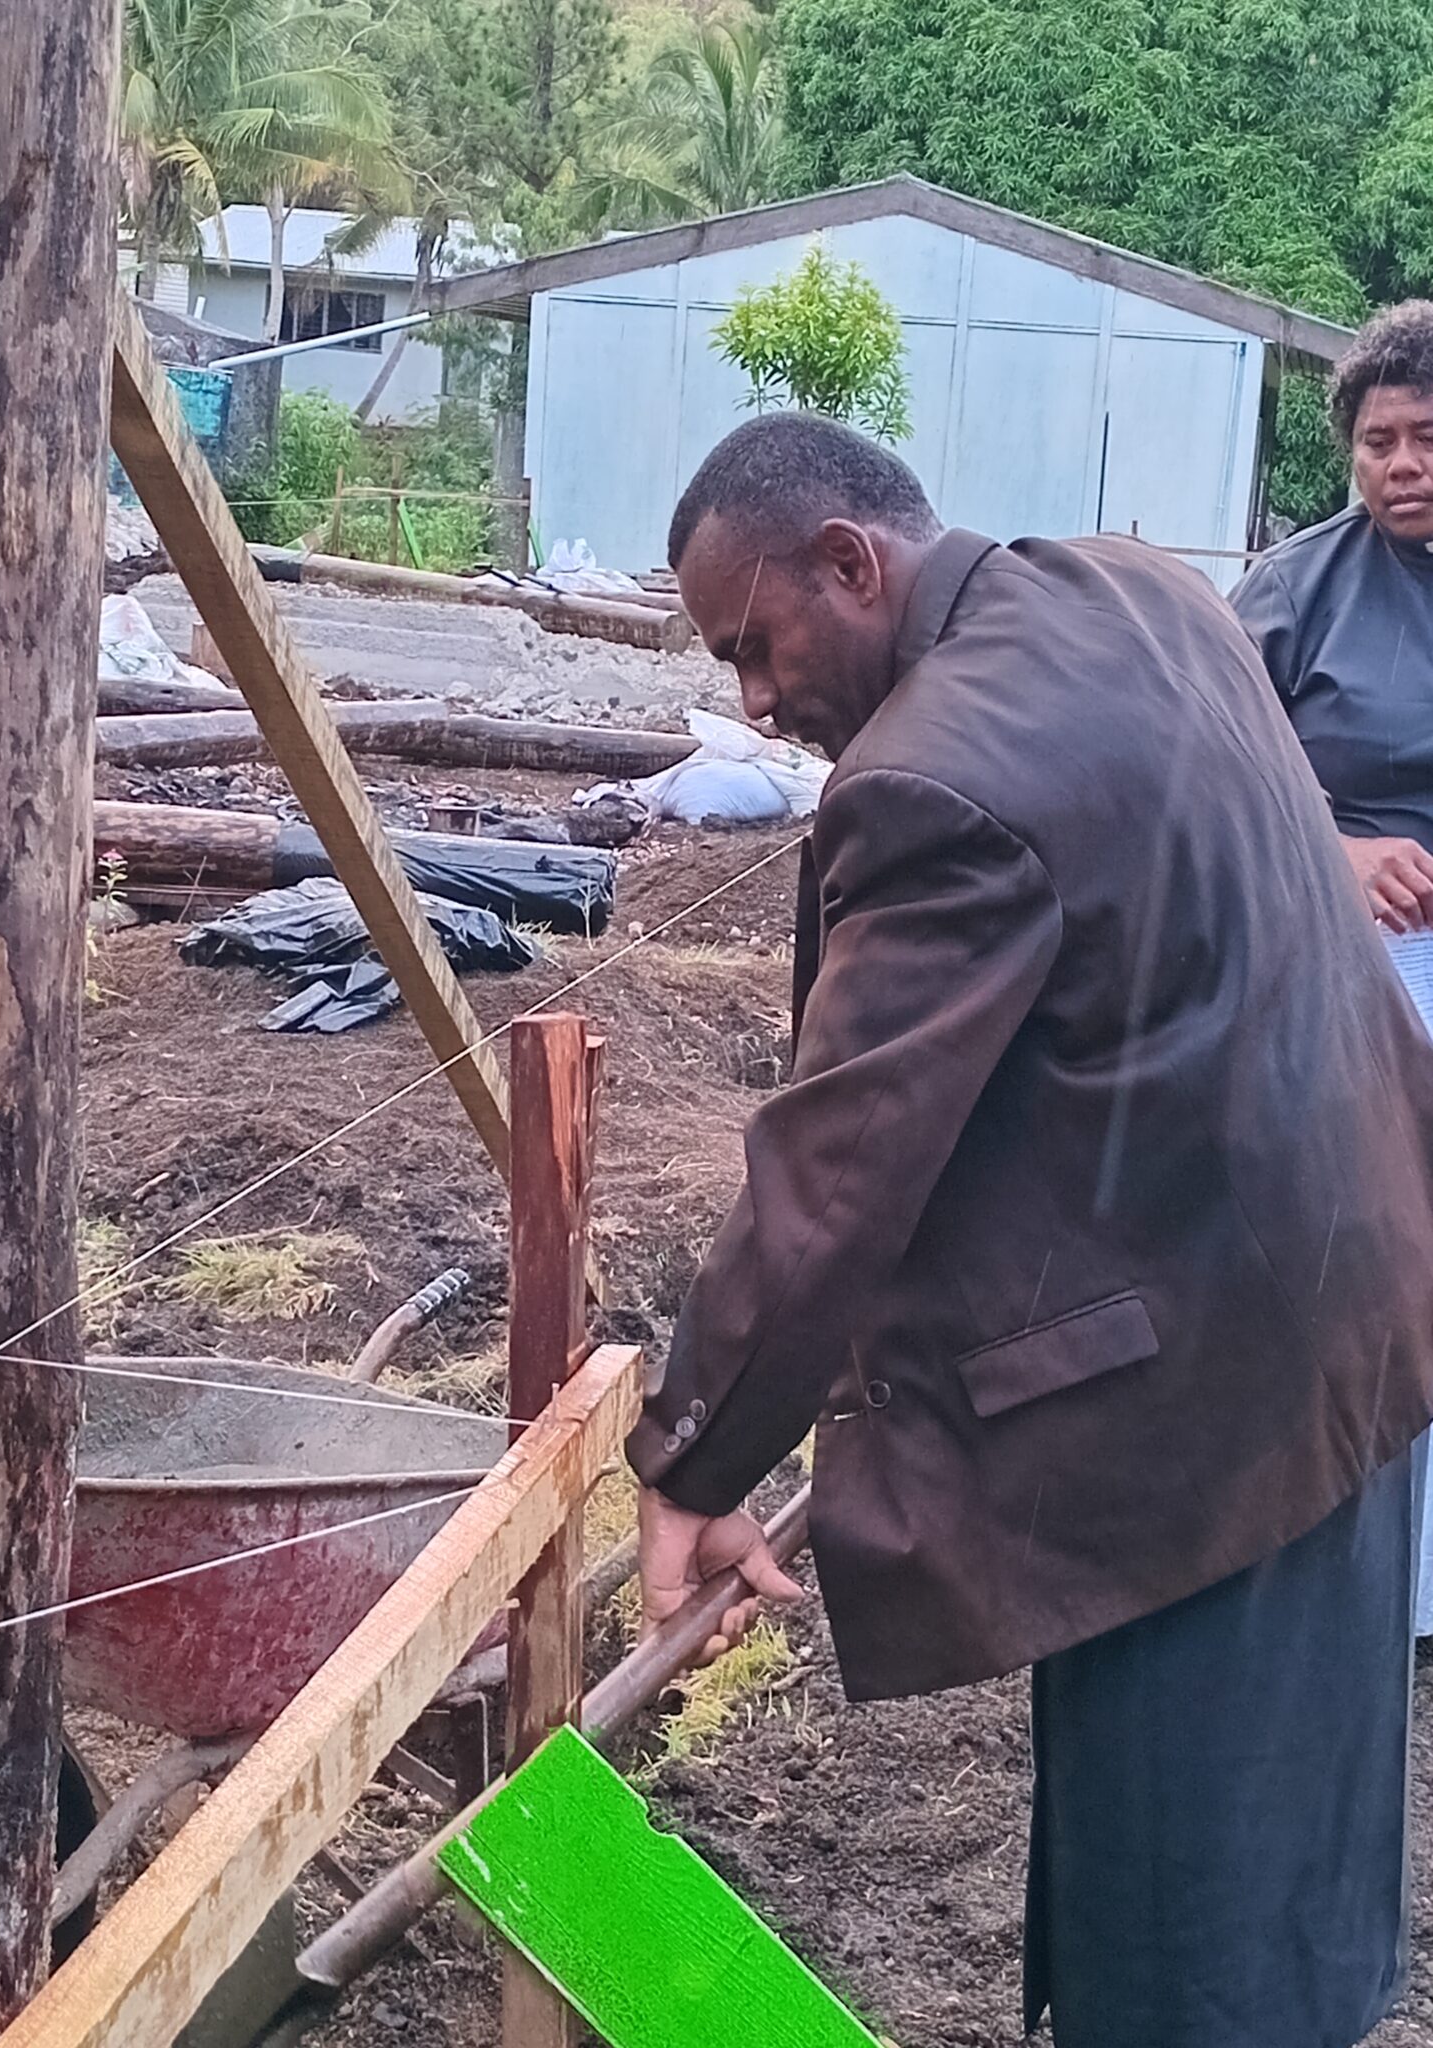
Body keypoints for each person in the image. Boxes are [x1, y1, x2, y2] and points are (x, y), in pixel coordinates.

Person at [626, 411, 1433, 2048]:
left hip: (1195, 1411)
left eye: (756, 646)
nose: (753, 704)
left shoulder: (938, 780)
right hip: (1347, 1293)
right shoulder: (1139, 587)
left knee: (1184, 1929)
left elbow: (840, 1166)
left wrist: (692, 1463)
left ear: (853, 563)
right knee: (1283, 1860)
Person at [1233, 299, 1433, 1631]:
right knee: (1368, 1261)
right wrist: (1336, 848)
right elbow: (1199, 765)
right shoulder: (1292, 593)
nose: (1404, 463)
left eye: (1427, 437)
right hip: (1350, 967)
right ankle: (1365, 1585)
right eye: (1380, 442)